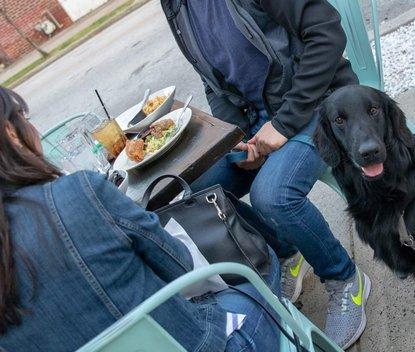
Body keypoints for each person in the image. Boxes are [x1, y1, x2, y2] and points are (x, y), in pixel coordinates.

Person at [0, 87, 281, 352]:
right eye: (24, 118)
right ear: (11, 133)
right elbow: (180, 267)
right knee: (260, 264)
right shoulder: (79, 191)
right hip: (201, 344)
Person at [162, 0, 371, 348]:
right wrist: (237, 137)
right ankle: (287, 254)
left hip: (319, 103)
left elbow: (326, 34)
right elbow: (214, 83)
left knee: (272, 196)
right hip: (261, 120)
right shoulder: (175, 7)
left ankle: (345, 278)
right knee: (192, 187)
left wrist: (283, 124)